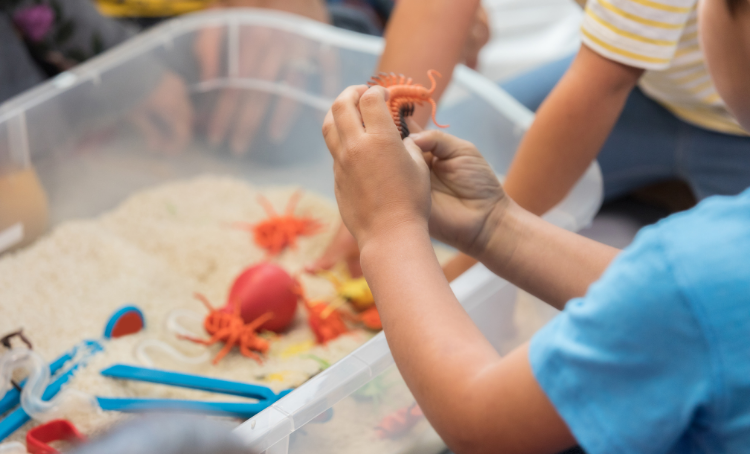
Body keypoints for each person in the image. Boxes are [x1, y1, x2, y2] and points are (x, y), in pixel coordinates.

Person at [320, 0, 750, 449]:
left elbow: (481, 422)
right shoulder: (704, 266)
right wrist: (494, 225)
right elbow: (674, 300)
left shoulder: (688, 276)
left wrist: (388, 228)